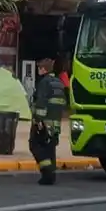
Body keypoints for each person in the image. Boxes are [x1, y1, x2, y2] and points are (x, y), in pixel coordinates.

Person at [29, 57, 68, 185]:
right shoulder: (58, 82)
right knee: (50, 148)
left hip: (44, 122)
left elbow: (41, 103)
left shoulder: (44, 83)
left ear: (43, 69)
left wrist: (38, 121)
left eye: (39, 68)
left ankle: (47, 172)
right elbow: (62, 103)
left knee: (35, 144)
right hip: (55, 123)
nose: (38, 71)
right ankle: (51, 175)